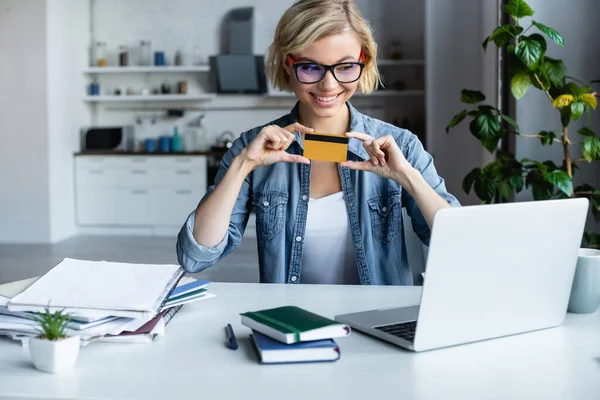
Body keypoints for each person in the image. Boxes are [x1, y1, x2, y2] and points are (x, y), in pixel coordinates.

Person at [177, 0, 460, 285]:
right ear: (289, 65)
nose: (329, 85)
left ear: (365, 62)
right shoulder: (252, 148)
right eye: (311, 67)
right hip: (291, 320)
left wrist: (409, 178)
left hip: (378, 321)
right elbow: (196, 256)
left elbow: (460, 247)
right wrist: (243, 165)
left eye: (346, 66)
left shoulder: (402, 146)